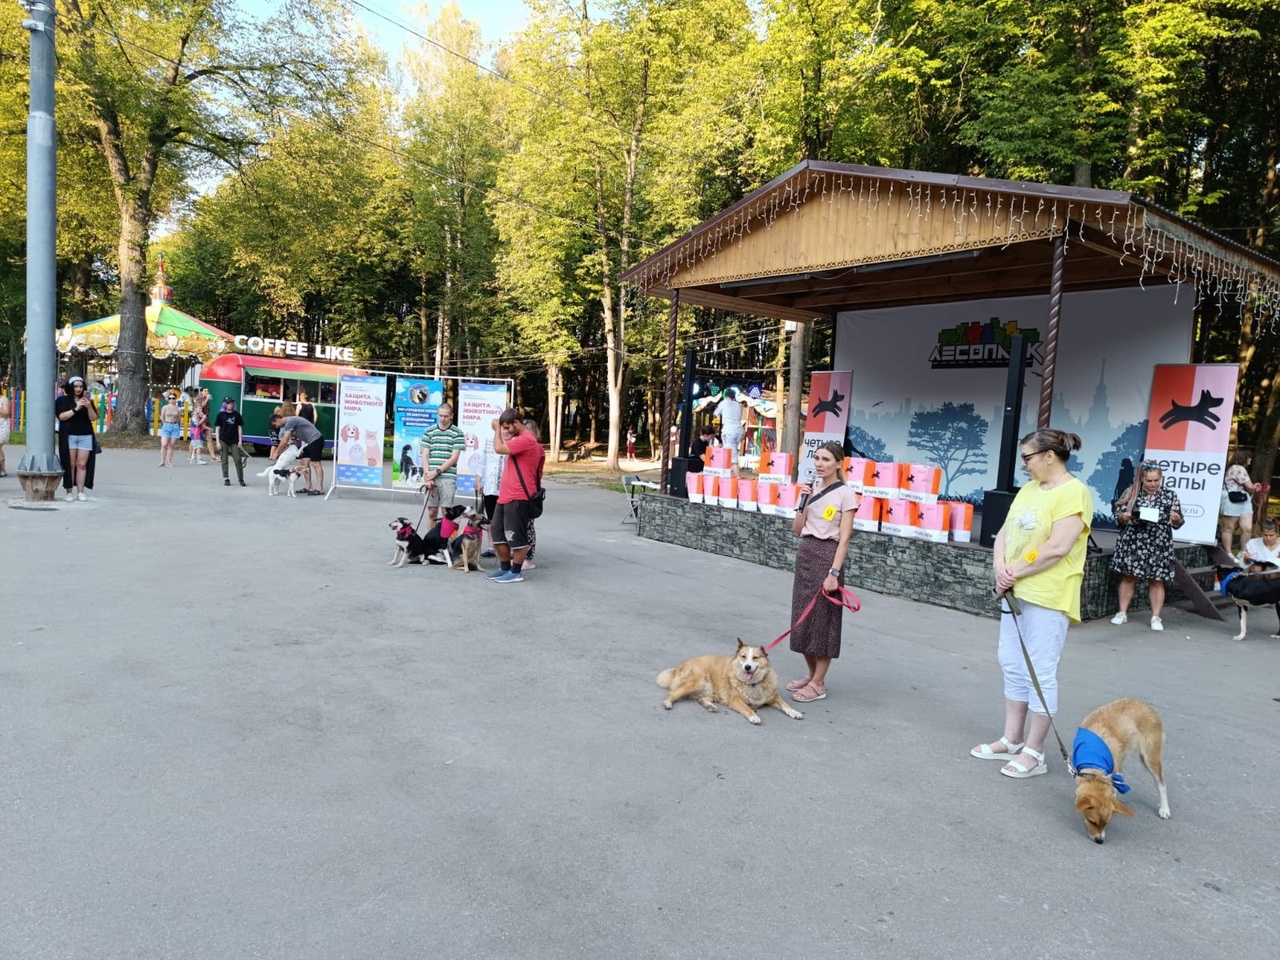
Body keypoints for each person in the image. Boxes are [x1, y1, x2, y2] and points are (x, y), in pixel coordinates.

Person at [971, 428, 1091, 779]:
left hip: (1048, 593)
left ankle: (1035, 751)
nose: (1024, 465)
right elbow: (1005, 532)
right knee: (1011, 661)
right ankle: (1011, 738)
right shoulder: (1028, 490)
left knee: (1040, 669)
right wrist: (1000, 567)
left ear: (1049, 456)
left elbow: (1058, 546)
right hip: (1016, 589)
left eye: (1028, 457)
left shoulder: (1075, 492)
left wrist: (1016, 571)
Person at [785, 440, 859, 703]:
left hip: (828, 557)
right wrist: (802, 504)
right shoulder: (810, 489)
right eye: (817, 458)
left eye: (826, 459)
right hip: (806, 555)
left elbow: (845, 538)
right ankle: (811, 674)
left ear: (839, 463)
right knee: (802, 620)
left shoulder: (846, 494)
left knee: (823, 622)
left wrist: (834, 572)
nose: (819, 463)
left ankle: (818, 684)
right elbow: (797, 529)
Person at [1110, 462, 1184, 631]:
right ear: (1142, 479)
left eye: (1156, 480)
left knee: (1156, 580)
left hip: (1158, 543)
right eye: (1149, 481)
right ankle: (1122, 613)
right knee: (1128, 576)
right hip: (1133, 541)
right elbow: (1117, 514)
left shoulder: (1170, 495)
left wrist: (1176, 519)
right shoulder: (1132, 493)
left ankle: (1156, 617)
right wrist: (1124, 517)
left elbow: (1179, 521)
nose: (1153, 484)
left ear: (1161, 478)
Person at [486, 408, 540, 583]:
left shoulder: (526, 439)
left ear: (517, 423)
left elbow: (499, 448)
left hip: (518, 495)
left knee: (515, 535)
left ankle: (516, 571)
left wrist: (496, 430)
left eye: (508, 427)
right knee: (497, 531)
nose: (506, 431)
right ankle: (505, 568)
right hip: (506, 494)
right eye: (503, 428)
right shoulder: (519, 439)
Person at [417, 402, 465, 525]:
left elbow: (454, 458)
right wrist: (427, 475)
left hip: (448, 476)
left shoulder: (458, 433)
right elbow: (425, 454)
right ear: (437, 414)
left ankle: (446, 541)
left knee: (446, 512)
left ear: (451, 416)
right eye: (441, 415)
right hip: (431, 475)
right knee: (432, 512)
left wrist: (436, 472)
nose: (443, 419)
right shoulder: (429, 431)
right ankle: (432, 542)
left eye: (446, 416)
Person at [55, 375, 99, 501]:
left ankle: (81, 491)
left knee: (82, 464)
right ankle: (69, 491)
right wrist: (76, 408)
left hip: (85, 435)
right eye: (76, 387)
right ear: (70, 387)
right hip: (69, 435)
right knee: (70, 464)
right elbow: (62, 416)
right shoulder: (62, 400)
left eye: (80, 387)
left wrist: (88, 406)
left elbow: (93, 418)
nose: (78, 389)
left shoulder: (87, 400)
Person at [270, 412, 325, 494]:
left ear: (278, 419)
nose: (277, 426)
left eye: (276, 424)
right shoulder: (288, 425)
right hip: (308, 442)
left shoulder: (290, 421)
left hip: (316, 439)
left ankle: (320, 488)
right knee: (304, 463)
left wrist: (276, 453)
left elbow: (284, 440)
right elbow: (292, 440)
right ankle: (308, 487)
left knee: (315, 463)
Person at [1219, 451, 1258, 556]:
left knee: (1246, 528)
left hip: (1242, 498)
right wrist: (1255, 487)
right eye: (1249, 458)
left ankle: (1241, 552)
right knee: (1229, 528)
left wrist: (1253, 487)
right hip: (1232, 499)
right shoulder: (1239, 468)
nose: (1250, 461)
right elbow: (1250, 486)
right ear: (1244, 458)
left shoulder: (1233, 468)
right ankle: (1229, 553)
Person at [521, 419, 547, 570]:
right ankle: (521, 555)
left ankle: (527, 557)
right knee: (522, 524)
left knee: (528, 525)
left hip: (530, 490)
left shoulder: (537, 449)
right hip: (527, 488)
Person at [477, 433, 506, 559]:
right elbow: (482, 462)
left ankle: (507, 547)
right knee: (491, 519)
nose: (505, 432)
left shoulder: (513, 443)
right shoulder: (490, 440)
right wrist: (478, 480)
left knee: (506, 520)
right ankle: (491, 547)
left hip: (505, 488)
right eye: (502, 428)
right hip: (490, 487)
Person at [214, 397, 247, 487]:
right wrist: (217, 441)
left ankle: (241, 478)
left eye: (232, 403)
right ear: (225, 404)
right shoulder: (220, 415)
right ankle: (226, 478)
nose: (230, 404)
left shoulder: (236, 415)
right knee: (224, 459)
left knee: (238, 459)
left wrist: (240, 440)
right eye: (228, 403)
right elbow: (217, 428)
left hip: (234, 439)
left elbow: (239, 428)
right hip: (223, 439)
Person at [715, 389, 745, 470]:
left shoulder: (723, 403)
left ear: (725, 395)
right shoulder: (738, 405)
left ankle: (737, 478)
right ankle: (727, 474)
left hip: (729, 431)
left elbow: (715, 413)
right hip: (739, 430)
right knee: (731, 452)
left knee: (732, 458)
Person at [158, 392, 182, 467]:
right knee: (164, 444)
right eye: (170, 398)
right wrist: (165, 423)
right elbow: (162, 416)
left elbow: (178, 418)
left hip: (174, 426)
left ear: (176, 399)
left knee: (172, 445)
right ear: (168, 400)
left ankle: (169, 461)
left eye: (173, 398)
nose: (171, 400)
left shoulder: (178, 408)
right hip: (166, 425)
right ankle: (162, 461)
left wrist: (174, 422)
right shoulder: (165, 407)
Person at [0, 381, 11, 477]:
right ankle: (2, 469)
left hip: (2, 426)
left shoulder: (4, 399)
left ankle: (2, 469)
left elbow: (6, 413)